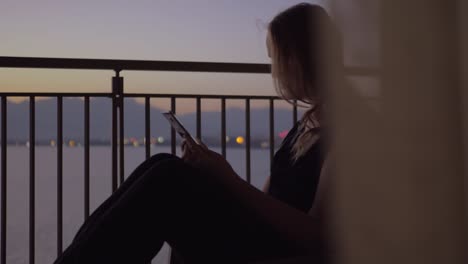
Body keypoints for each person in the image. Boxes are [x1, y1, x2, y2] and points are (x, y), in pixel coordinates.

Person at [54, 3, 343, 263]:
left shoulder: (346, 131)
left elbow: (316, 236)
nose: (274, 71)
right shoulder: (307, 123)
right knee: (163, 165)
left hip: (278, 246)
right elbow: (264, 201)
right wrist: (216, 173)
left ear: (298, 58)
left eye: (275, 59)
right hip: (261, 233)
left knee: (167, 181)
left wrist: (227, 178)